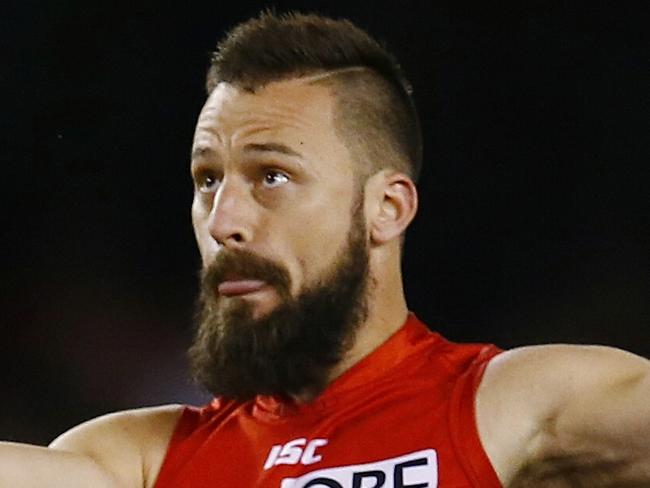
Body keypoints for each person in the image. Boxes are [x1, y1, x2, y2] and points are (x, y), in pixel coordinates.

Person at [2, 10, 649, 488]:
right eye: (207, 180)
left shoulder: (503, 407)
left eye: (271, 177)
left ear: (386, 209)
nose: (223, 220)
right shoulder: (134, 462)